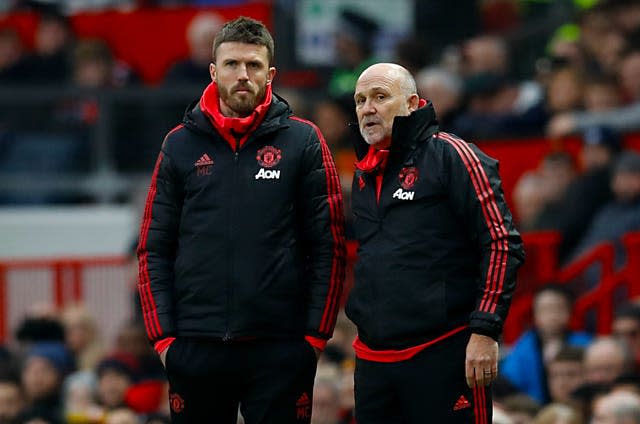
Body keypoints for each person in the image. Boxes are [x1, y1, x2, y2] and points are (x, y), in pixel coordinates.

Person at [137, 16, 346, 424]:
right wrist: (164, 340)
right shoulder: (178, 144)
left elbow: (329, 247)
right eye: (232, 64)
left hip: (280, 347)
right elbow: (153, 247)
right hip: (196, 345)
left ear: (270, 75)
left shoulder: (303, 141)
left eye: (253, 65)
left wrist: (313, 339)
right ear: (214, 71)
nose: (242, 75)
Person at [345, 63, 524, 423]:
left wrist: (485, 330)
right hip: (374, 362)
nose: (368, 108)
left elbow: (502, 242)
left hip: (445, 351)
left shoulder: (452, 154)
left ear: (412, 103)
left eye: (380, 97)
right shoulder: (363, 176)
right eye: (361, 100)